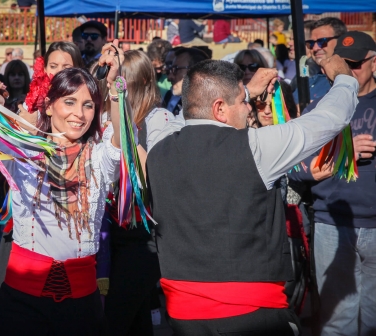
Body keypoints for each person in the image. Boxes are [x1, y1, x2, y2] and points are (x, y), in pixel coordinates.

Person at [0, 24, 126, 334]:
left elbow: (120, 138)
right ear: (50, 105)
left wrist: (116, 87)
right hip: (20, 302)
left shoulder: (99, 157)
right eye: (70, 102)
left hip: (82, 306)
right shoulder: (23, 151)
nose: (79, 113)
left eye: (88, 104)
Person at [147, 55, 358, 335]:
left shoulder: (158, 146)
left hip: (184, 318)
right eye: (243, 101)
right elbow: (328, 119)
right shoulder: (255, 148)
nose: (250, 109)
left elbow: (178, 116)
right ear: (220, 108)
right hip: (252, 316)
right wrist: (344, 79)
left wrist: (243, 90)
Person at [289, 31, 376, 336]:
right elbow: (295, 167)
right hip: (331, 224)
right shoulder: (323, 107)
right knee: (336, 322)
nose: (349, 72)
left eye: (356, 64)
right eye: (344, 64)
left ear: (373, 62)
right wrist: (343, 147)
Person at [0, 41, 85, 310]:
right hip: (28, 213)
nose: (58, 72)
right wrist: (4, 109)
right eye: (53, 66)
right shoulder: (30, 107)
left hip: (71, 216)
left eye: (67, 66)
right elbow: (5, 147)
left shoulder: (85, 112)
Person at [104, 50, 173, 336]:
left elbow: (157, 177)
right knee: (136, 322)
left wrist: (127, 132)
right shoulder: (108, 117)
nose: (117, 90)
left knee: (113, 322)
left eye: (123, 83)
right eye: (112, 84)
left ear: (144, 81)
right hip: (113, 236)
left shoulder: (160, 119)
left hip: (144, 239)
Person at [293, 17, 347, 104]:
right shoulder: (309, 80)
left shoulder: (353, 80)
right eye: (311, 43)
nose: (315, 48)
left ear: (341, 40)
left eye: (322, 41)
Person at [163, 48, 208, 116]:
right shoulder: (171, 97)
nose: (170, 77)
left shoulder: (210, 110)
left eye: (176, 69)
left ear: (196, 72)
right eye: (170, 69)